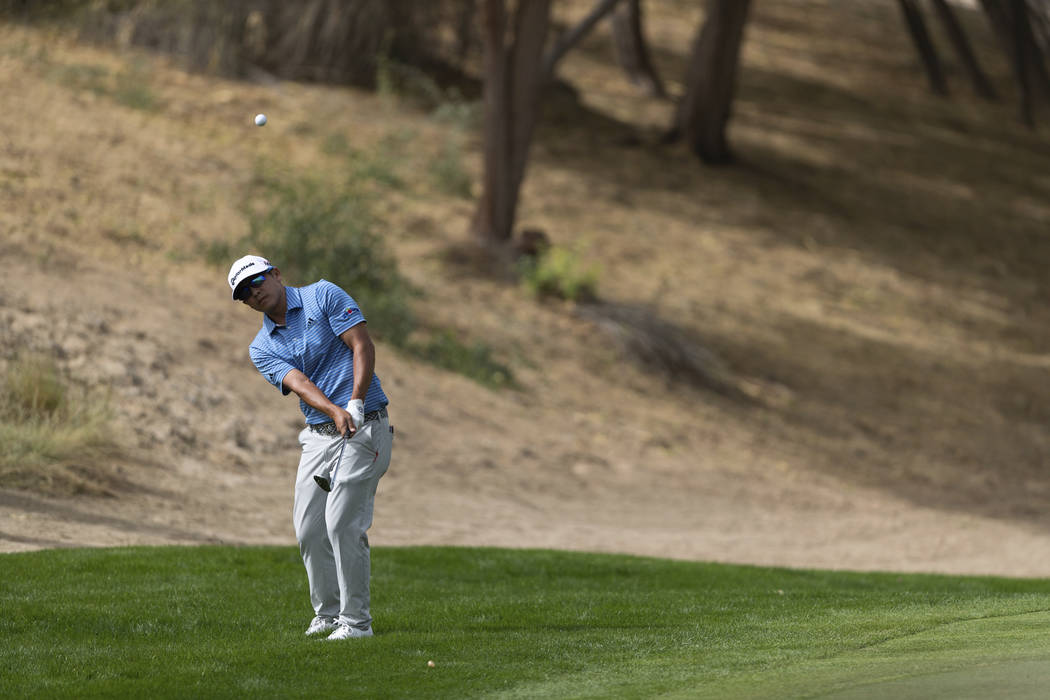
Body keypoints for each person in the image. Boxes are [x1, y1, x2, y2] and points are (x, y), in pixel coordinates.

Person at [228, 254, 393, 641]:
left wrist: (354, 401)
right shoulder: (261, 346)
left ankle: (357, 623)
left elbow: (361, 345)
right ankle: (329, 614)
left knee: (341, 525)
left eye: (256, 282)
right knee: (308, 530)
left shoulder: (323, 295)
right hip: (320, 435)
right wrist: (334, 410)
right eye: (244, 294)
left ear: (276, 274)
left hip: (366, 426)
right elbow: (298, 382)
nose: (253, 294)